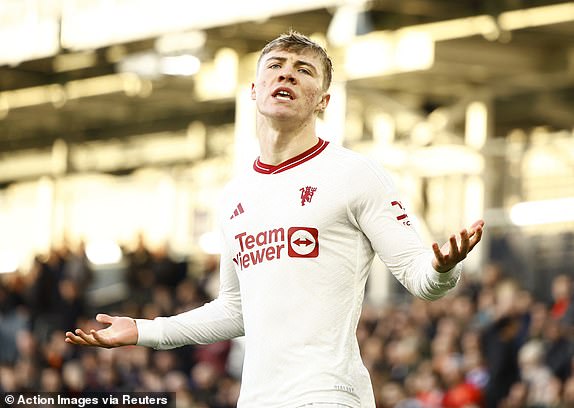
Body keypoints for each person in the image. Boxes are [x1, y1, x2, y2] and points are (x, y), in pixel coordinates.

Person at [65, 30, 484, 408]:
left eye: (303, 71)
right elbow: (235, 310)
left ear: (323, 100)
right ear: (254, 89)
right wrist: (143, 330)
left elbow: (421, 279)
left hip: (328, 394)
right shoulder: (234, 195)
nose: (287, 76)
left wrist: (443, 267)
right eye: (276, 68)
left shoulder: (356, 175)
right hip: (258, 398)